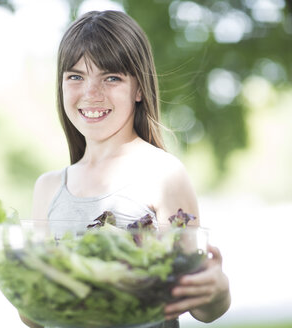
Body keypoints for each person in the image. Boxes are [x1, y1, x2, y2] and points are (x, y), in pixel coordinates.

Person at [25, 10, 230, 328]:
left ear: (138, 89)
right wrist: (26, 290)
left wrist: (217, 290)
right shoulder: (49, 188)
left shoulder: (163, 175)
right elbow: (34, 317)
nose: (91, 93)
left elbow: (203, 308)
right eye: (76, 76)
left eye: (111, 77)